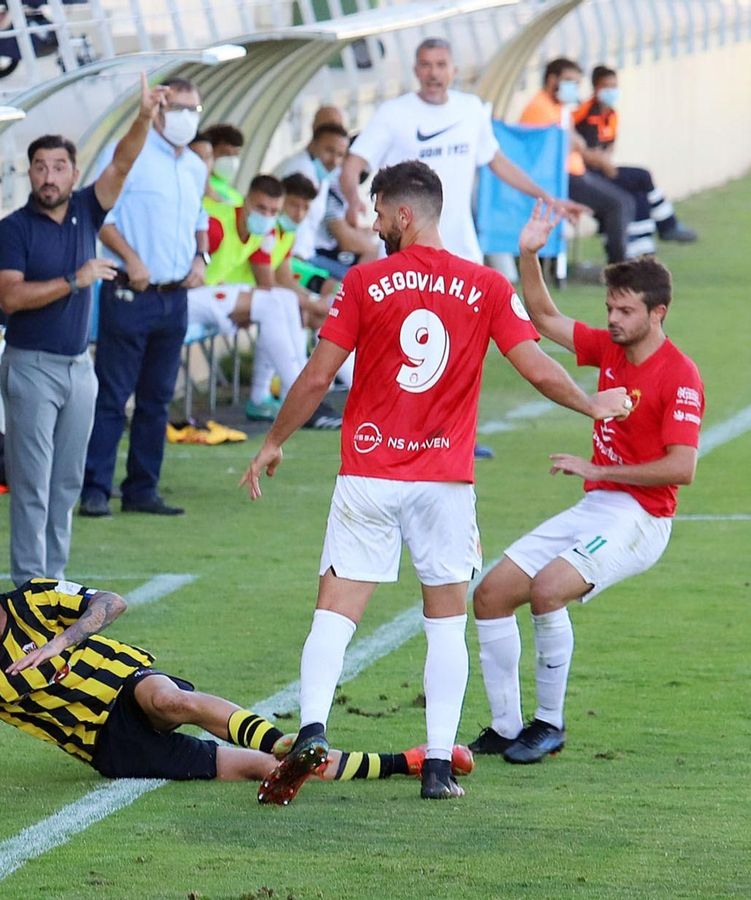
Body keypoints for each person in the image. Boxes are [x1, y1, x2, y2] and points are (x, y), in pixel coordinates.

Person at [239, 161, 633, 800]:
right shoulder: (485, 283)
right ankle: (441, 769)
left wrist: (274, 442)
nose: (373, 224)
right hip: (444, 481)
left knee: (335, 612)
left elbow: (316, 376)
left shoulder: (364, 280)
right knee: (445, 619)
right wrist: (590, 406)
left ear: (404, 214)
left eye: (377, 212)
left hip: (367, 472)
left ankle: (312, 727)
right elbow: (534, 367)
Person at [0, 535, 472, 802]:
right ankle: (408, 760)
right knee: (261, 770)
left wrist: (63, 641)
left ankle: (289, 741)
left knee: (172, 700)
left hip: (128, 688)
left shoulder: (33, 599)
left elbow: (110, 602)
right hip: (109, 748)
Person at [470, 204, 703, 764]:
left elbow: (682, 468)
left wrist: (600, 470)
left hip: (643, 517)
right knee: (491, 594)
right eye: (609, 308)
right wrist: (528, 254)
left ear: (658, 312)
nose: (613, 320)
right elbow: (544, 317)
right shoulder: (609, 348)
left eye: (625, 310)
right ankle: (505, 728)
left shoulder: (680, 375)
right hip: (599, 505)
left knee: (548, 589)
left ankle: (548, 724)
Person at [0, 74, 160, 583]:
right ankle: (27, 584)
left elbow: (123, 161)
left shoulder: (87, 207)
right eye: (40, 167)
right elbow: (10, 298)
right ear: (30, 174)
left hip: (78, 367)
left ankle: (53, 579)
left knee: (66, 483)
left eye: (58, 167)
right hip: (30, 366)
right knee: (32, 484)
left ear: (73, 173)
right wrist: (73, 279)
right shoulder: (12, 229)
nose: (49, 176)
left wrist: (145, 114)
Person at [82, 76, 210, 519]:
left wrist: (201, 259)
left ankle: (142, 488)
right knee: (113, 397)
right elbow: (101, 216)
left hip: (174, 298)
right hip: (130, 294)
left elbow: (199, 216)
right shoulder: (129, 156)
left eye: (194, 110)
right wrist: (132, 259)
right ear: (158, 108)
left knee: (157, 399)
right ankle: (94, 489)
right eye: (179, 108)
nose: (187, 118)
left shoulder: (194, 165)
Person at [339, 38, 585, 264]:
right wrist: (352, 200)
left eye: (440, 64)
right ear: (415, 71)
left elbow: (497, 161)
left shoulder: (470, 109)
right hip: (404, 248)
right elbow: (352, 165)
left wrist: (550, 199)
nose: (433, 73)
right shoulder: (392, 113)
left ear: (453, 70)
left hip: (460, 248)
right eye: (425, 65)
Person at [185, 174, 335, 427]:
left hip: (211, 298)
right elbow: (184, 266)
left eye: (273, 211)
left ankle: (290, 395)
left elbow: (273, 280)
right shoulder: (217, 228)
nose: (267, 216)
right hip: (184, 299)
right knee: (273, 302)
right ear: (245, 202)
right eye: (261, 208)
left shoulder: (262, 233)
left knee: (283, 301)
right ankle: (302, 397)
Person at [519, 59, 649, 264]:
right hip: (562, 177)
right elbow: (562, 146)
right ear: (552, 80)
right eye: (569, 81)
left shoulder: (559, 107)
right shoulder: (540, 108)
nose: (574, 88)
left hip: (577, 172)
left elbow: (576, 142)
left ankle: (637, 253)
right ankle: (619, 266)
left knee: (630, 195)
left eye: (577, 83)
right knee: (619, 204)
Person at [574, 65, 698, 246]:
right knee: (642, 176)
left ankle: (643, 246)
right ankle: (666, 225)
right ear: (596, 87)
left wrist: (604, 160)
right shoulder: (585, 111)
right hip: (584, 174)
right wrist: (601, 161)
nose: (611, 91)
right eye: (606, 86)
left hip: (602, 169)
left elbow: (608, 148)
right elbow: (579, 148)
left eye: (614, 86)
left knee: (639, 193)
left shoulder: (612, 114)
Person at [278, 122, 354, 286]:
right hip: (296, 256)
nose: (334, 160)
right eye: (329, 150)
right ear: (312, 144)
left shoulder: (322, 174)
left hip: (308, 253)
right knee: (352, 285)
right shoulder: (301, 171)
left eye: (340, 155)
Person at [190, 123, 246, 205]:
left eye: (235, 154)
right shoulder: (195, 185)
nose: (231, 160)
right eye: (225, 153)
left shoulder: (237, 197)